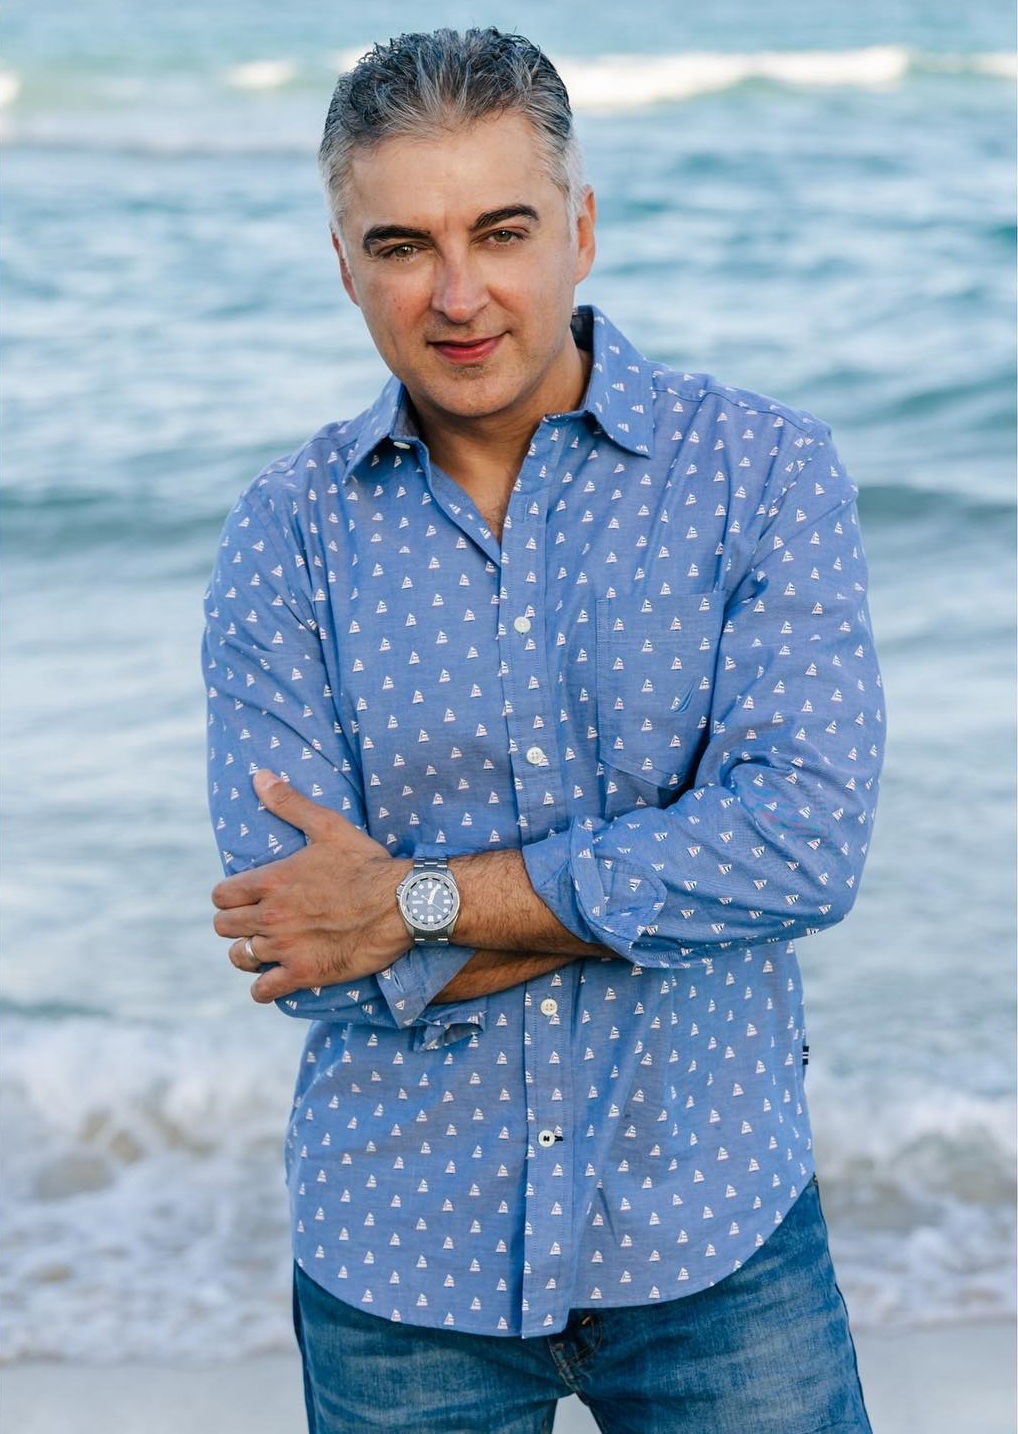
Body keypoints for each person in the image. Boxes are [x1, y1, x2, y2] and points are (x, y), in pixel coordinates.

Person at [204, 27, 884, 1433]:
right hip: (399, 1263)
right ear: (345, 265)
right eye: (402, 246)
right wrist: (662, 894)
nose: (458, 296)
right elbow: (305, 950)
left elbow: (801, 850)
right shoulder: (284, 536)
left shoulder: (760, 471)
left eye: (500, 232)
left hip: (716, 1236)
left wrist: (412, 902)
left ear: (579, 229)